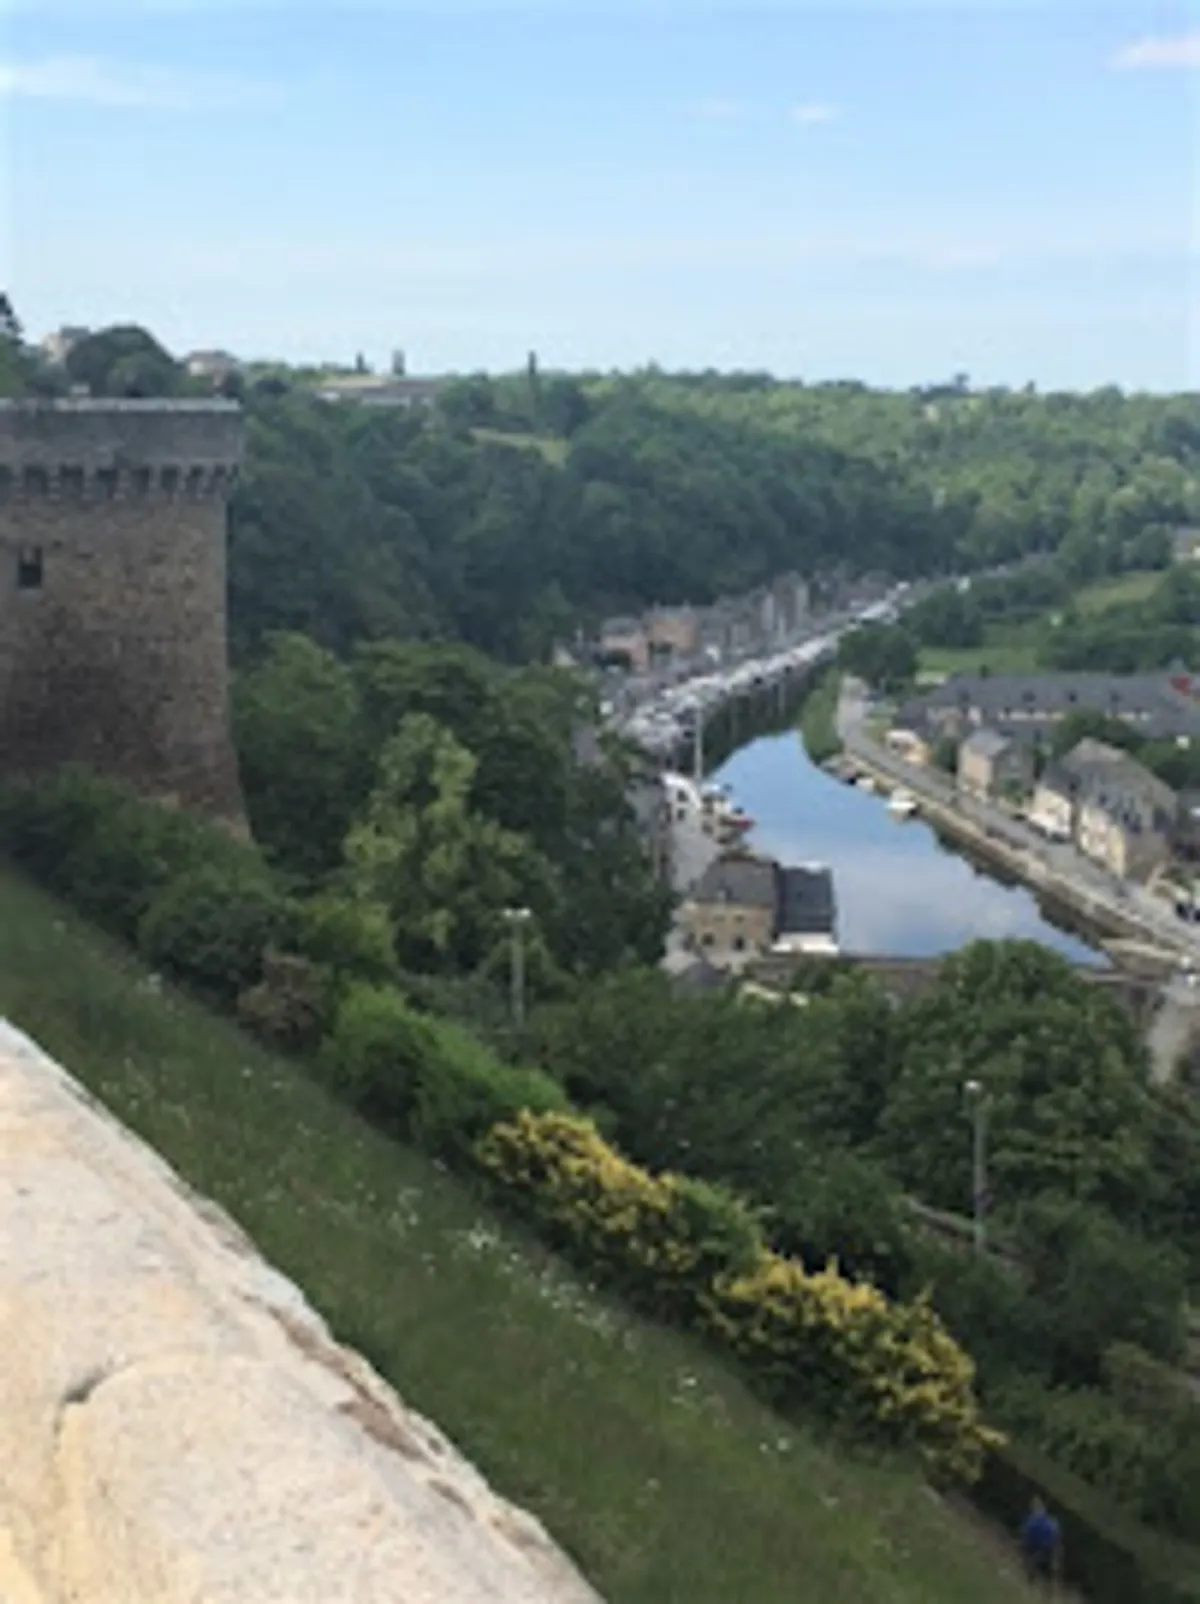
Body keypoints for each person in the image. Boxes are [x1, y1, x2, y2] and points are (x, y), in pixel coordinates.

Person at [1020, 1497, 1062, 1588]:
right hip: (1048, 1548)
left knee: (1032, 1564)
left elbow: (1027, 1537)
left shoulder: (1032, 1521)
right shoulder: (1050, 1521)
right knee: (1050, 1570)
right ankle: (1049, 1588)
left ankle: (1030, 1583)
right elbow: (1056, 1535)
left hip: (1043, 1548)